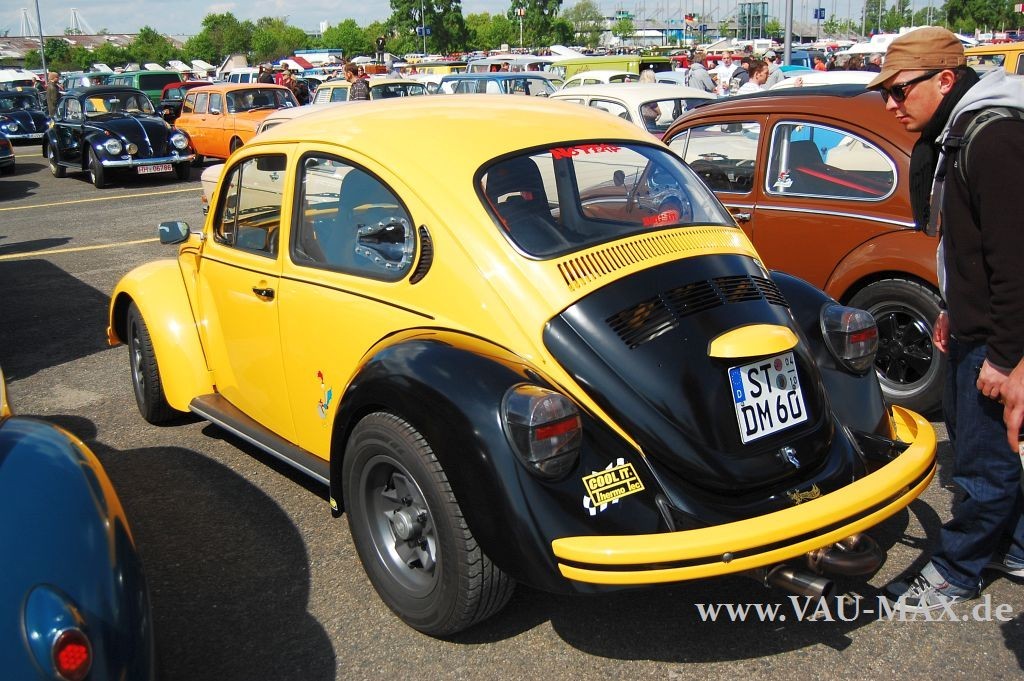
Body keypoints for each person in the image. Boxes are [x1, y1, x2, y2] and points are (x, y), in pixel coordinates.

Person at [867, 26, 1024, 614]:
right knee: (993, 454)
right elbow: (971, 247)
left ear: (946, 80)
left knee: (982, 465)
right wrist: (953, 309)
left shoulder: (993, 137)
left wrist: (1005, 357)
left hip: (997, 339)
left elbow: (1014, 261)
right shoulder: (962, 131)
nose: (891, 104)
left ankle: (957, 569)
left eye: (900, 90)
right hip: (976, 325)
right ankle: (1013, 546)